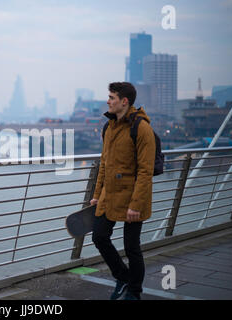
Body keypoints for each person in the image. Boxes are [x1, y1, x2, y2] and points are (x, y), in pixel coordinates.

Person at [90, 82, 156, 300]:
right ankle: (123, 277)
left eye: (111, 97)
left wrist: (136, 205)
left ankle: (134, 292)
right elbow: (104, 164)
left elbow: (145, 171)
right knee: (99, 236)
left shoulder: (141, 127)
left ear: (124, 101)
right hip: (110, 194)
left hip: (134, 196)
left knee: (132, 248)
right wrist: (97, 194)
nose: (108, 101)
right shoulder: (109, 127)